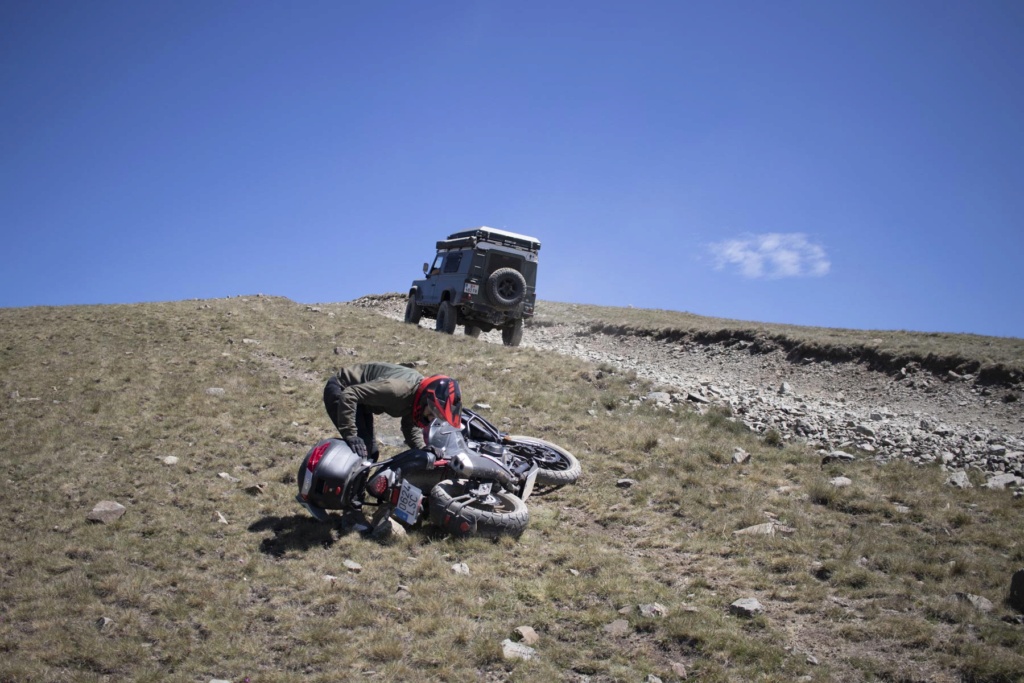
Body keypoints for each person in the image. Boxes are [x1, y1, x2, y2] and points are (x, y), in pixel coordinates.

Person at [322, 361, 462, 461]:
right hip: (342, 389)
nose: (431, 418)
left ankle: (354, 493)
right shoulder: (396, 390)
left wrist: (422, 448)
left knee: (371, 452)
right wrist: (350, 434)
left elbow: (409, 426)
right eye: (433, 412)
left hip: (362, 401)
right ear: (426, 399)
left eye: (437, 417)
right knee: (359, 452)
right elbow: (349, 394)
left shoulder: (417, 398)